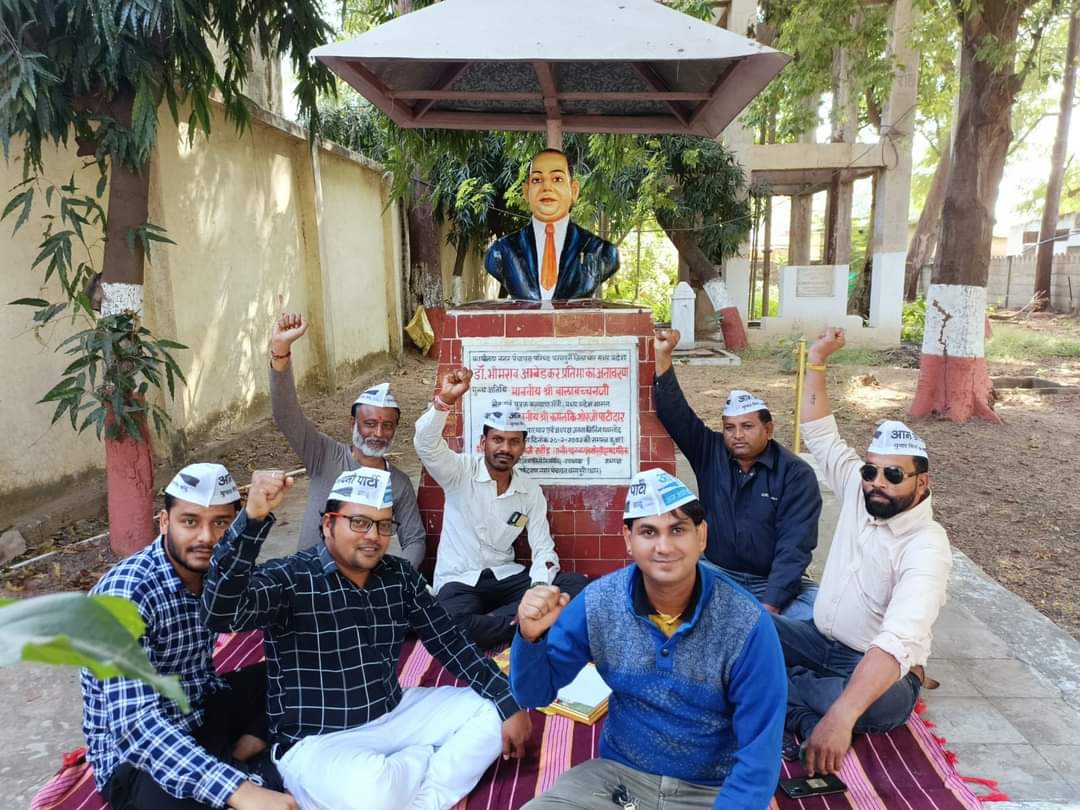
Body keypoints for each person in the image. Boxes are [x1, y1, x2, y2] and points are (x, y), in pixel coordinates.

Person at [202, 467, 531, 810]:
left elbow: (449, 641)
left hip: (393, 710)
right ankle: (421, 760)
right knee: (373, 792)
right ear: (328, 524)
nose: (373, 536)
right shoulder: (290, 577)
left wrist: (504, 698)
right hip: (319, 740)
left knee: (495, 712)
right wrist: (252, 520)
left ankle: (420, 799)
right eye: (359, 522)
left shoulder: (398, 575)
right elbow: (220, 613)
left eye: (384, 525)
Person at [511, 468, 786, 810]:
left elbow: (759, 755)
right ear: (628, 539)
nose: (664, 547)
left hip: (712, 789)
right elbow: (532, 694)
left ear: (701, 535)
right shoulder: (598, 603)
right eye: (648, 532)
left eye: (678, 530)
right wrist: (530, 637)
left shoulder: (746, 623)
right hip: (618, 780)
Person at [774, 326, 951, 776]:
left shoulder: (927, 546)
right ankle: (800, 699)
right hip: (817, 640)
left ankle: (790, 694)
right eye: (872, 471)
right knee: (740, 627)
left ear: (921, 483)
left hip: (874, 666)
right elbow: (819, 433)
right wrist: (817, 360)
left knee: (872, 704)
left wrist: (841, 717)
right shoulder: (860, 490)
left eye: (894, 475)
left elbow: (896, 640)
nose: (877, 482)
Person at [80, 463, 295, 810]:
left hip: (199, 706)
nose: (206, 538)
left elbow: (249, 575)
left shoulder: (216, 572)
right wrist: (239, 790)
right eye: (190, 522)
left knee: (290, 670)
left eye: (221, 523)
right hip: (136, 758)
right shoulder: (123, 598)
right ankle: (236, 766)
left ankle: (244, 745)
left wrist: (255, 516)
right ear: (165, 522)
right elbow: (137, 724)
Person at [653, 328, 822, 619]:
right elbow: (675, 414)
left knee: (825, 618)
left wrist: (769, 610)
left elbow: (794, 548)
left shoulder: (796, 475)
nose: (737, 435)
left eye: (747, 426)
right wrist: (663, 355)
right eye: (730, 427)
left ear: (768, 429)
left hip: (773, 583)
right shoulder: (711, 452)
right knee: (662, 601)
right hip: (716, 573)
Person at [414, 367, 587, 649]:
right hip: (460, 580)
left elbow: (543, 548)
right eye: (497, 439)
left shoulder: (529, 490)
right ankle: (523, 622)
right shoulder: (459, 472)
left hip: (506, 577)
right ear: (483, 443)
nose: (505, 448)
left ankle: (506, 621)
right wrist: (444, 401)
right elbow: (425, 445)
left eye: (513, 441)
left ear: (523, 447)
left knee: (576, 587)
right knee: (447, 623)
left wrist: (537, 590)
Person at [269, 306, 426, 565]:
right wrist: (280, 351)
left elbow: (415, 539)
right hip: (310, 578)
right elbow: (286, 415)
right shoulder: (323, 455)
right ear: (353, 423)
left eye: (388, 425)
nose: (378, 433)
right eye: (370, 423)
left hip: (362, 582)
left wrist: (398, 580)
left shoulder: (398, 483)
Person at [484, 149, 619, 301]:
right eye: (537, 180)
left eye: (557, 179)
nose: (546, 187)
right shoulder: (501, 251)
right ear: (526, 191)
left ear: (574, 190)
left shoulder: (601, 251)